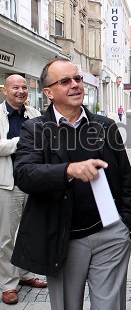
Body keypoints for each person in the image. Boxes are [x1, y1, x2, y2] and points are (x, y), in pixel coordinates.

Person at [11, 58, 131, 310]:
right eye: (65, 81)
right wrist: (68, 170)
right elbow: (25, 174)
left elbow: (127, 180)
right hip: (63, 239)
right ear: (47, 92)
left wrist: (124, 224)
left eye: (77, 79)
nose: (75, 85)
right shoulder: (34, 129)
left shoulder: (105, 126)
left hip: (110, 235)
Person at [0, 74, 46, 305]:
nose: (20, 91)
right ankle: (8, 284)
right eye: (15, 87)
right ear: (5, 90)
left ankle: (26, 274)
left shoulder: (34, 114)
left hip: (32, 181)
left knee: (29, 232)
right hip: (8, 183)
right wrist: (23, 140)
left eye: (24, 87)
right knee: (6, 236)